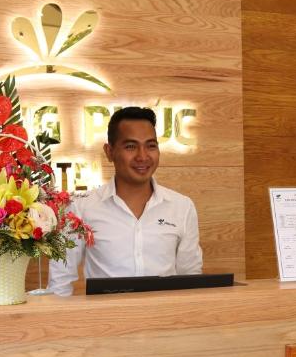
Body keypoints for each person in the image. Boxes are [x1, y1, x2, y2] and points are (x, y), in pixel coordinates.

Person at [48, 107, 203, 294]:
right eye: (131, 146)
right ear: (109, 152)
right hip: (106, 320)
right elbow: (60, 282)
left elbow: (191, 278)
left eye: (151, 146)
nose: (142, 156)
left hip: (166, 319)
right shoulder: (81, 207)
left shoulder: (182, 207)